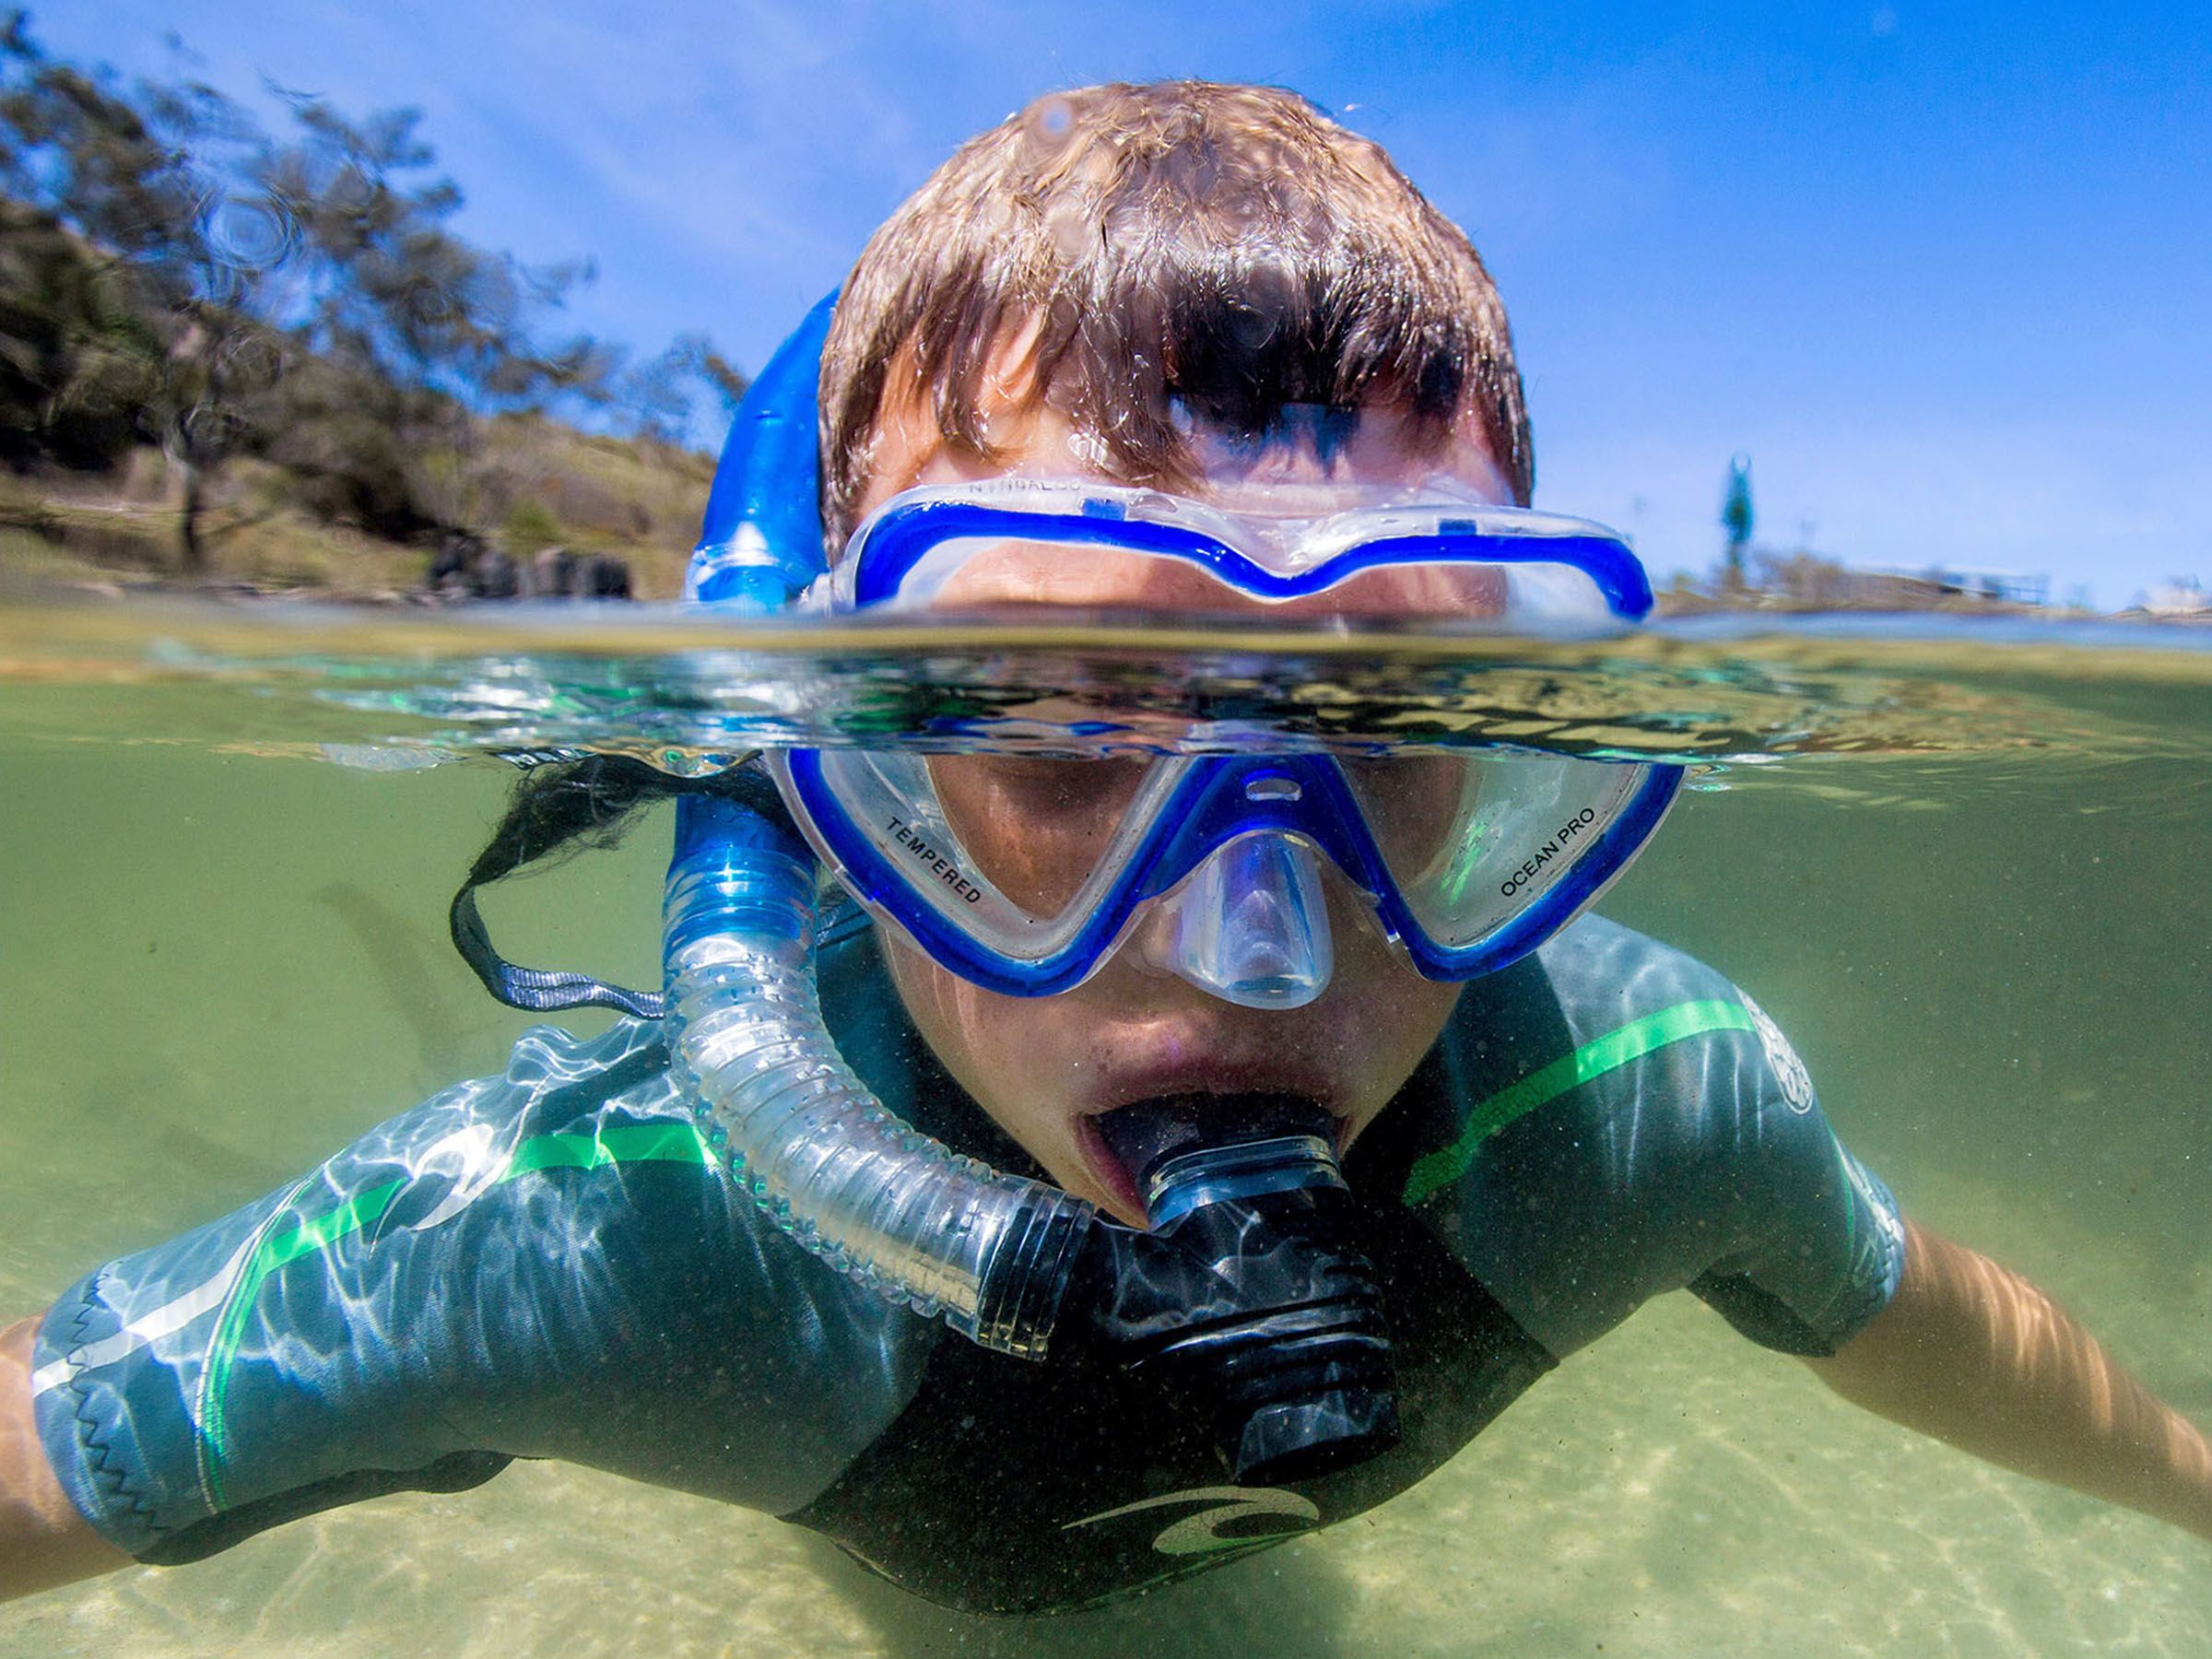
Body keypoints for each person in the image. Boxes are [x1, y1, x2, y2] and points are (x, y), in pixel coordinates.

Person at [5, 81, 2209, 1619]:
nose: (1261, 949)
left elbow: (1902, 1308)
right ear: (835, 765)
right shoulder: (613, 1233)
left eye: (1386, 714)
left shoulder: (1639, 1103)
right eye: (1061, 714)